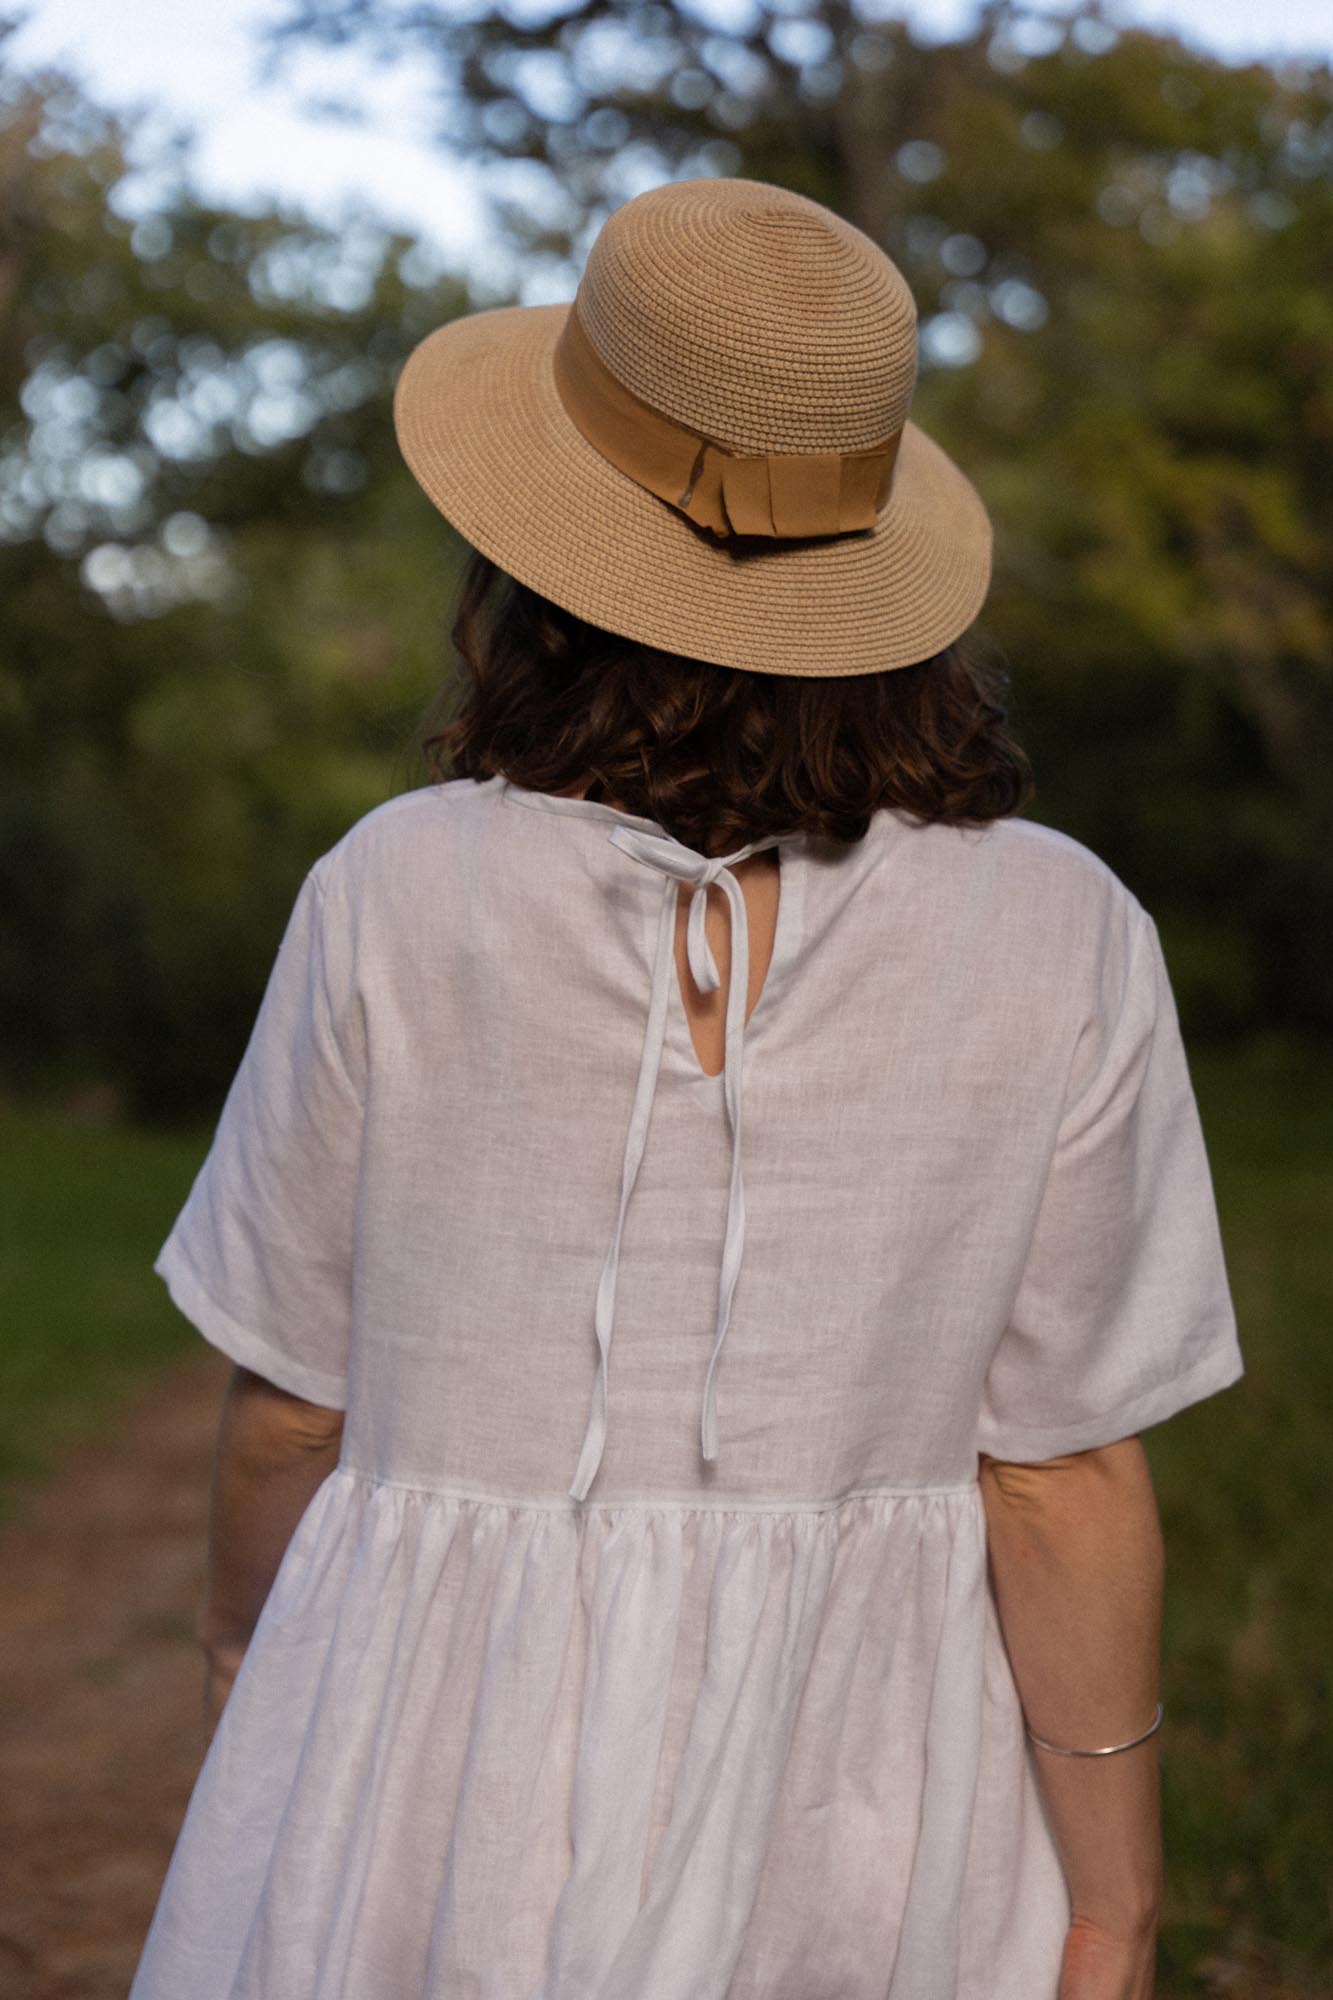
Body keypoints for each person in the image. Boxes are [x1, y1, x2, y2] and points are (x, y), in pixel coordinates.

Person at [127, 177, 1244, 2000]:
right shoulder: (1062, 931)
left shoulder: (394, 889)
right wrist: (1112, 1895)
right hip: (871, 1780)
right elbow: (1061, 1476)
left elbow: (287, 1411)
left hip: (434, 1746)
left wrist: (254, 1668)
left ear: (535, 558)